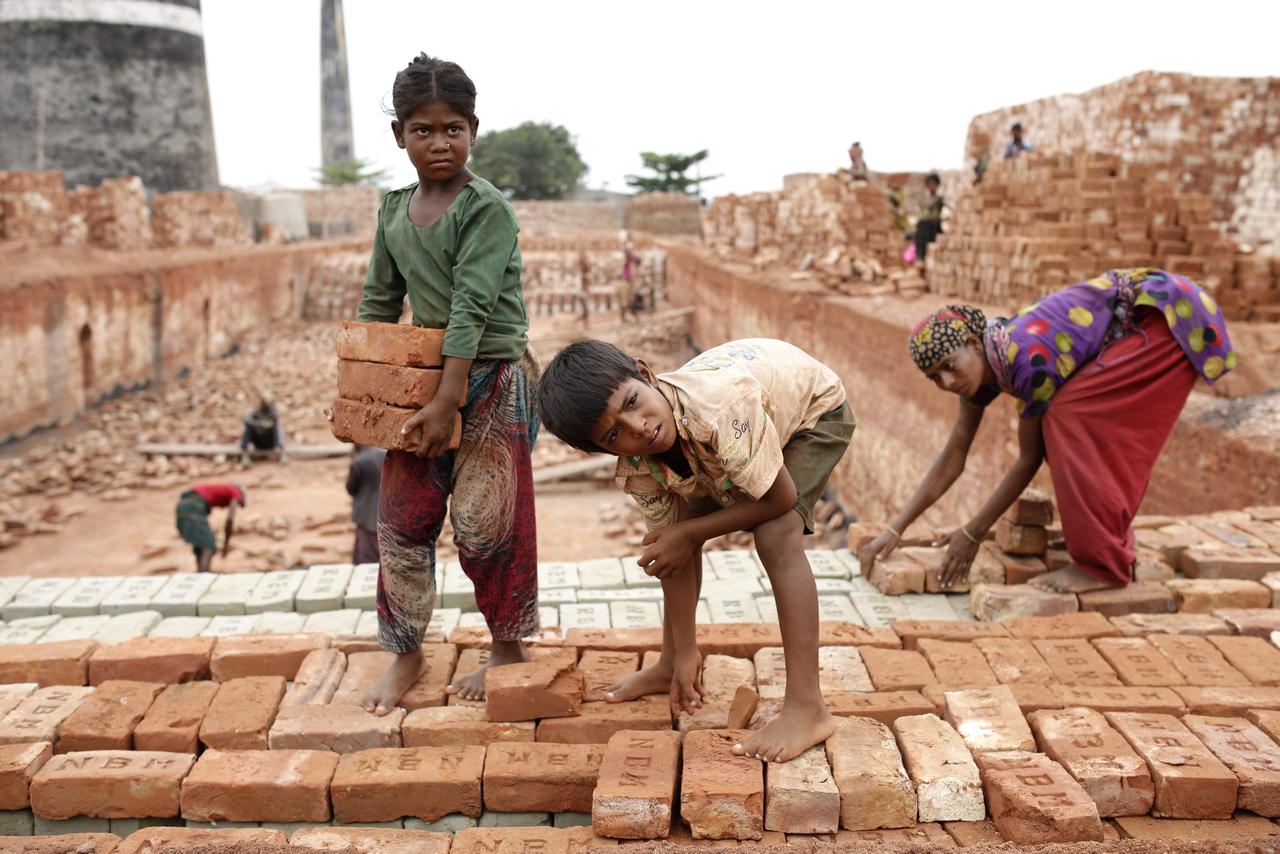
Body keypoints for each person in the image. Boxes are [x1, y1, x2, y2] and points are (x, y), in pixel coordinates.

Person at [537, 338, 855, 763]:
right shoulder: (639, 465)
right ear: (600, 450)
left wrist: (690, 534)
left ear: (646, 373)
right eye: (615, 434)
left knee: (776, 533)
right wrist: (686, 650)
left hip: (811, 412)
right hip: (736, 434)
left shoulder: (720, 410)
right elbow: (673, 551)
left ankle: (808, 708)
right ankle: (670, 662)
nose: (638, 427)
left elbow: (778, 499)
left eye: (632, 401)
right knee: (673, 537)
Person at [859, 268, 1236, 594]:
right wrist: (896, 529)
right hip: (1152, 314)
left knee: (1069, 418)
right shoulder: (981, 370)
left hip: (1169, 316)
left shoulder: (1023, 359)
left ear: (973, 344)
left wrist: (972, 532)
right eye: (933, 378)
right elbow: (954, 456)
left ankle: (1101, 565)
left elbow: (1028, 459)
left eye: (949, 366)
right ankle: (1102, 537)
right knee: (1070, 422)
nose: (945, 381)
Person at [356, 54, 540, 713]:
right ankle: (406, 654)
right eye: (424, 130)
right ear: (399, 134)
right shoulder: (394, 209)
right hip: (422, 383)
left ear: (475, 129)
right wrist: (366, 393)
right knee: (402, 522)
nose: (441, 143)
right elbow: (379, 301)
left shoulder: (485, 208)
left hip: (488, 378)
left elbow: (473, 303)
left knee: (489, 521)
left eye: (454, 128)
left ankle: (508, 649)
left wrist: (447, 398)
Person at [175, 482, 246, 572]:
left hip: (183, 507)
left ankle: (200, 573)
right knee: (208, 545)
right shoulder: (236, 492)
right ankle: (204, 576)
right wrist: (226, 545)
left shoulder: (225, 490)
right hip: (194, 507)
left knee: (200, 545)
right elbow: (230, 519)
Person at [346, 443, 387, 564]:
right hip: (387, 512)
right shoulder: (385, 454)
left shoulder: (359, 461)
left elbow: (351, 488)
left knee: (366, 558)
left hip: (366, 514)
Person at [239, 392, 286, 465]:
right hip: (258, 441)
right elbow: (247, 420)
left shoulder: (272, 413)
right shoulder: (256, 412)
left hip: (269, 442)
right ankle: (244, 455)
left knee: (278, 426)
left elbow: (275, 419)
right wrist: (259, 424)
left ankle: (282, 453)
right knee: (248, 427)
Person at [914, 172, 944, 263]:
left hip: (934, 226)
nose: (932, 186)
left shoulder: (939, 198)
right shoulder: (923, 198)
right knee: (921, 229)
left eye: (934, 184)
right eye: (930, 184)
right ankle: (920, 258)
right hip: (924, 226)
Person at [618, 241, 642, 322]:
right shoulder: (625, 257)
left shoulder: (633, 257)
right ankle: (623, 318)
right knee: (625, 301)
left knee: (632, 299)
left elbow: (639, 260)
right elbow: (626, 257)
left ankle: (630, 316)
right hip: (625, 281)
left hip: (631, 281)